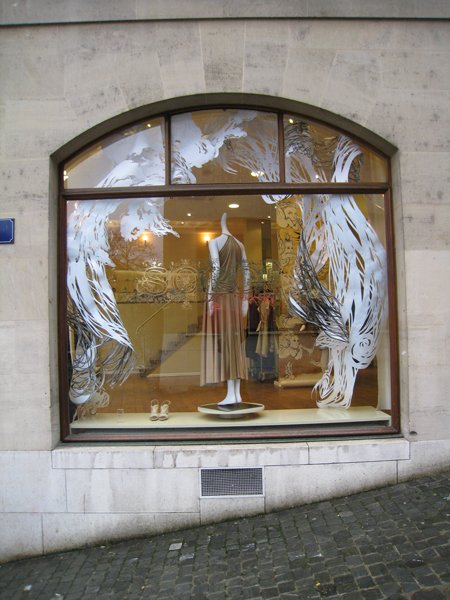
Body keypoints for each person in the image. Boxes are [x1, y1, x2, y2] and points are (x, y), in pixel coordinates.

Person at [201, 212, 249, 406]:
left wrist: (210, 297)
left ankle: (232, 393)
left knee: (228, 345)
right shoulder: (240, 245)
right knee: (234, 345)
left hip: (221, 298)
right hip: (235, 299)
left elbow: (216, 270)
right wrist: (245, 299)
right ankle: (235, 393)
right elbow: (247, 273)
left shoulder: (214, 242)